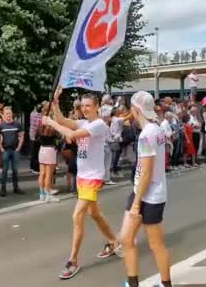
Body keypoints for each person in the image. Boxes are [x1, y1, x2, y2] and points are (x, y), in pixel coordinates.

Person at [44, 86, 123, 280]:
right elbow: (63, 121)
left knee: (78, 215)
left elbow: (70, 135)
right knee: (94, 213)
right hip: (82, 176)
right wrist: (55, 103)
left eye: (89, 106)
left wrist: (51, 123)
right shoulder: (84, 122)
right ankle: (114, 241)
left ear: (97, 107)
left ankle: (73, 261)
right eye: (83, 106)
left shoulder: (98, 125)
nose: (85, 108)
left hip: (93, 177)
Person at [120, 91, 172, 287]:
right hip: (148, 193)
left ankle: (162, 284)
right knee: (127, 239)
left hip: (147, 195)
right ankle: (133, 282)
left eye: (132, 109)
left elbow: (146, 173)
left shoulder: (146, 135)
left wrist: (135, 204)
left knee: (152, 243)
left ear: (136, 109)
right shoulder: (156, 129)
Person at [0, 107, 25, 196]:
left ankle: (16, 188)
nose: (8, 115)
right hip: (5, 150)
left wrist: (19, 148)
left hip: (15, 150)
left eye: (10, 113)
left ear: (12, 114)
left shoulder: (17, 124)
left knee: (15, 170)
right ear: (4, 115)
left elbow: (22, 136)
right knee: (4, 170)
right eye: (6, 113)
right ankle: (3, 189)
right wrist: (1, 148)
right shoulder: (1, 126)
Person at [38, 103, 60, 203]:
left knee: (42, 173)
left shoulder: (40, 126)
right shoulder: (52, 127)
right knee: (48, 174)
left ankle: (42, 194)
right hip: (50, 150)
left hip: (41, 149)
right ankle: (48, 195)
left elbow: (36, 137)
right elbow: (59, 137)